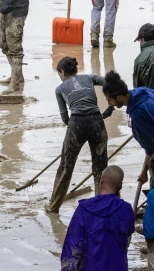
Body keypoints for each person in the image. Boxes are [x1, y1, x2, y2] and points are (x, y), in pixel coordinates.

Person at [46, 57, 111, 214]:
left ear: (62, 72)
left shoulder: (60, 88)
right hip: (97, 121)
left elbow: (64, 117)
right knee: (100, 168)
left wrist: (74, 130)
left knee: (66, 167)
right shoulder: (89, 78)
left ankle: (53, 207)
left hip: (77, 123)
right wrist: (110, 105)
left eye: (59, 73)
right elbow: (109, 83)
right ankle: (101, 207)